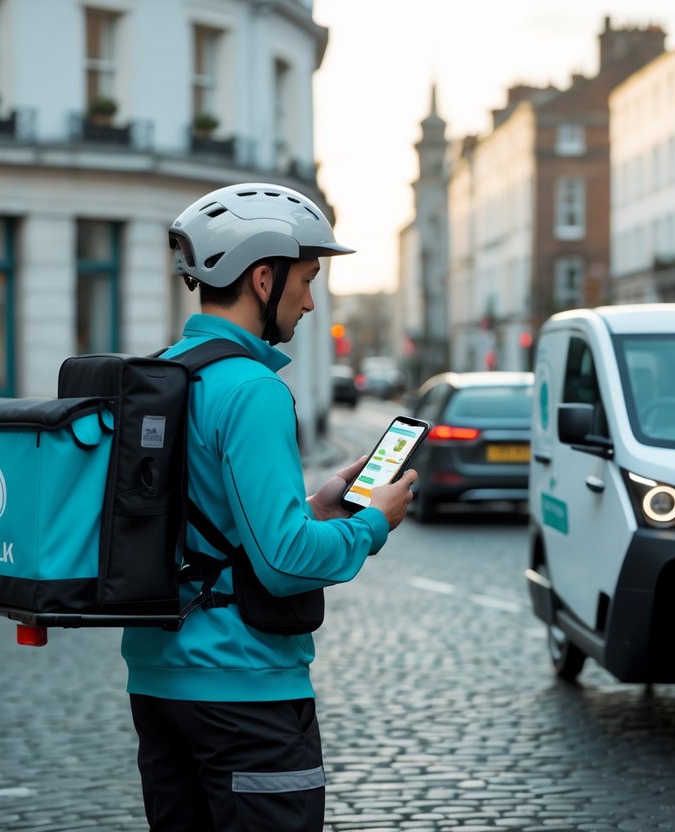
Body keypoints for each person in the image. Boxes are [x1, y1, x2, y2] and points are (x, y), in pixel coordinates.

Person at [122, 182, 417, 831]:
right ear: (263, 277)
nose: (311, 301)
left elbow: (213, 525)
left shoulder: (168, 374)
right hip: (244, 692)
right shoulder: (252, 390)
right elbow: (283, 561)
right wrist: (372, 522)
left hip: (158, 684)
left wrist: (321, 500)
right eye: (306, 280)